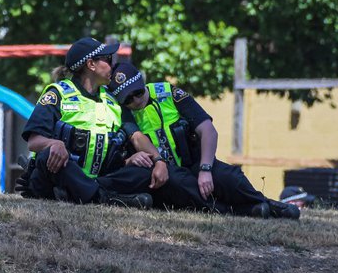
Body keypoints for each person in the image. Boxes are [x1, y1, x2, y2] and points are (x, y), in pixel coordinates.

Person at [16, 37, 213, 211]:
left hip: (100, 178)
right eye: (108, 60)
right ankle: (105, 199)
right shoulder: (58, 93)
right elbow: (34, 141)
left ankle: (87, 194)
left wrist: (158, 160)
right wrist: (54, 144)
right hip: (61, 173)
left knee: (145, 172)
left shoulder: (112, 100)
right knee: (46, 158)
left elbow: (135, 136)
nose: (113, 65)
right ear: (91, 64)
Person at [107, 61, 300, 219]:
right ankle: (242, 212)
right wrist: (159, 161)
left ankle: (267, 204)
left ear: (142, 82)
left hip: (195, 162)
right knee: (183, 186)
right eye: (128, 99)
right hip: (165, 171)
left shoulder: (168, 93)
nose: (135, 100)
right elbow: (136, 136)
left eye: (138, 92)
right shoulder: (123, 112)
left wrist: (205, 169)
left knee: (229, 177)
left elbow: (207, 129)